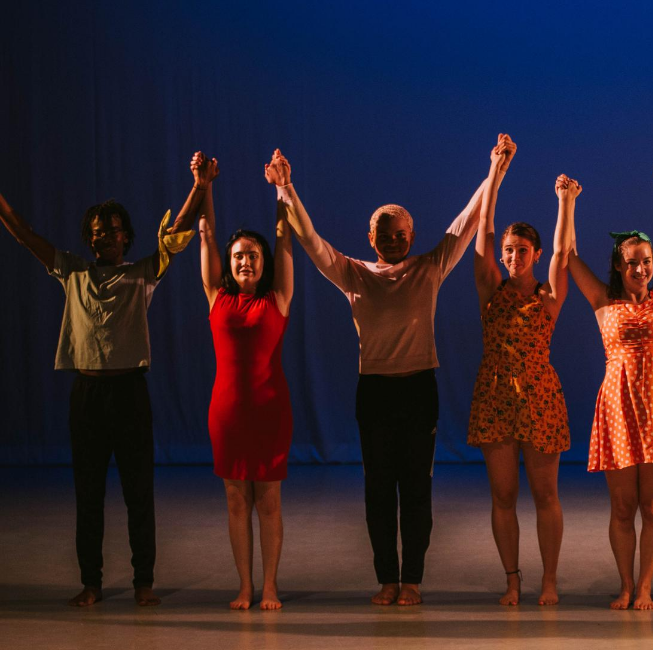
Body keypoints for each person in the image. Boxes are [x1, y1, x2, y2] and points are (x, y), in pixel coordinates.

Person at [279, 135, 514, 606]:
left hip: (418, 390)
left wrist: (496, 169)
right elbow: (311, 241)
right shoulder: (354, 273)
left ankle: (413, 580)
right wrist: (285, 190)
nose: (392, 240)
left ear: (412, 234)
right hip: (375, 393)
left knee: (416, 489)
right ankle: (387, 577)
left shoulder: (429, 267)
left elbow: (468, 222)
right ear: (371, 239)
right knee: (378, 489)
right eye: (383, 234)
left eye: (400, 233)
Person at [0, 156, 199, 607]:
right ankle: (91, 582)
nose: (102, 236)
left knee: (138, 494)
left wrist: (198, 183)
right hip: (87, 396)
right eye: (95, 230)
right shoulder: (71, 271)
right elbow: (25, 234)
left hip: (130, 395)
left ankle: (143, 582)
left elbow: (179, 232)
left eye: (111, 230)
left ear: (126, 236)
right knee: (87, 494)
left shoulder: (141, 273)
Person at [566, 164, 653, 610]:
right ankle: (625, 584)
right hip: (619, 407)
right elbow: (566, 257)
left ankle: (646, 587)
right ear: (619, 267)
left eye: (646, 262)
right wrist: (567, 204)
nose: (641, 268)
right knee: (623, 508)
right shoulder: (604, 302)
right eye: (632, 262)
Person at [468, 170, 573, 607]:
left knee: (545, 494)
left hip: (539, 395)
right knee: (504, 495)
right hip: (494, 395)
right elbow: (483, 232)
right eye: (508, 250)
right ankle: (512, 580)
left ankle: (549, 580)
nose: (512, 257)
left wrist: (565, 201)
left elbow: (565, 252)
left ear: (535, 253)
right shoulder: (491, 290)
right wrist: (495, 175)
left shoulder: (547, 295)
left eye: (521, 251)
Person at [197, 151, 296, 610]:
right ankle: (245, 586)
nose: (244, 262)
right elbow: (209, 234)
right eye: (238, 256)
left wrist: (281, 189)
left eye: (253, 256)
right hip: (228, 415)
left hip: (270, 412)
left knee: (269, 503)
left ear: (263, 262)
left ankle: (271, 585)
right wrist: (205, 186)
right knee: (237, 503)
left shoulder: (278, 298)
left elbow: (285, 238)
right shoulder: (216, 296)